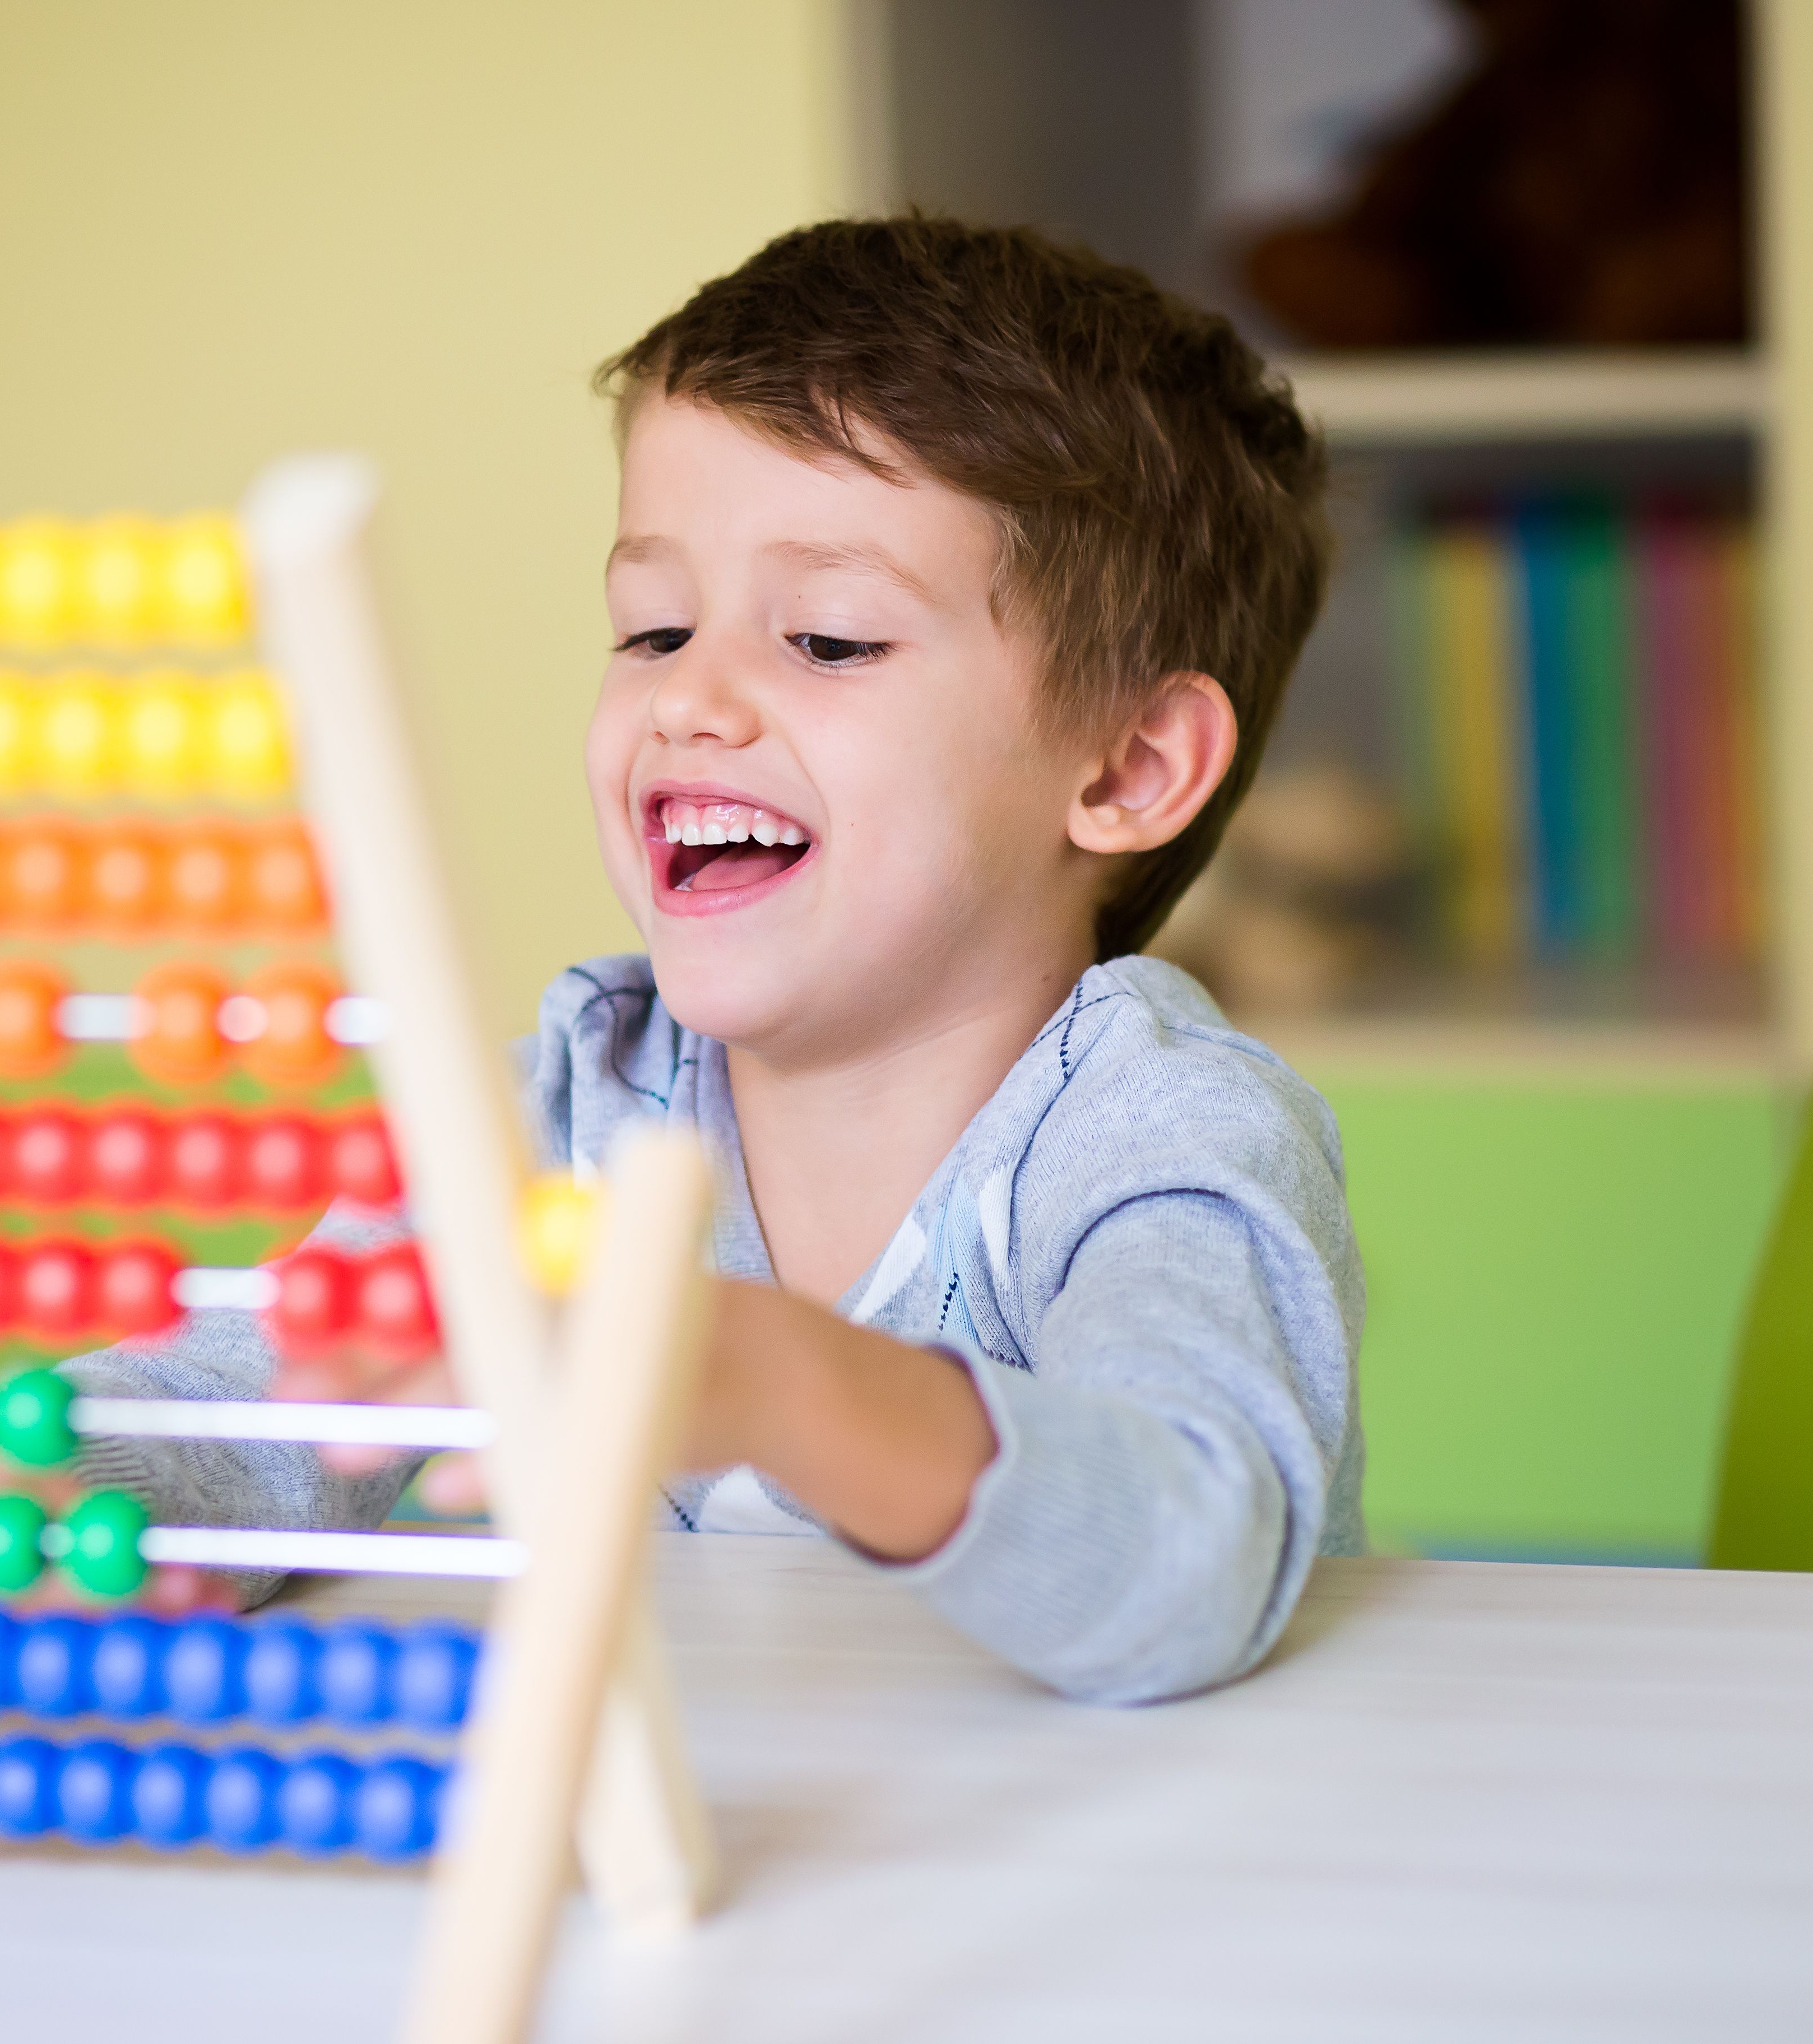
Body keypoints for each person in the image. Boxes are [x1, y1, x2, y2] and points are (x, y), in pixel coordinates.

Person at [66, 217, 1363, 1705]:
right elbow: (252, 1402)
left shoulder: (1160, 1139)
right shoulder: (563, 1118)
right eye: (656, 627)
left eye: (826, 639)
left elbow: (1190, 1557)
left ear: (1130, 767)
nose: (690, 698)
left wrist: (780, 1382)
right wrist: (63, 1490)